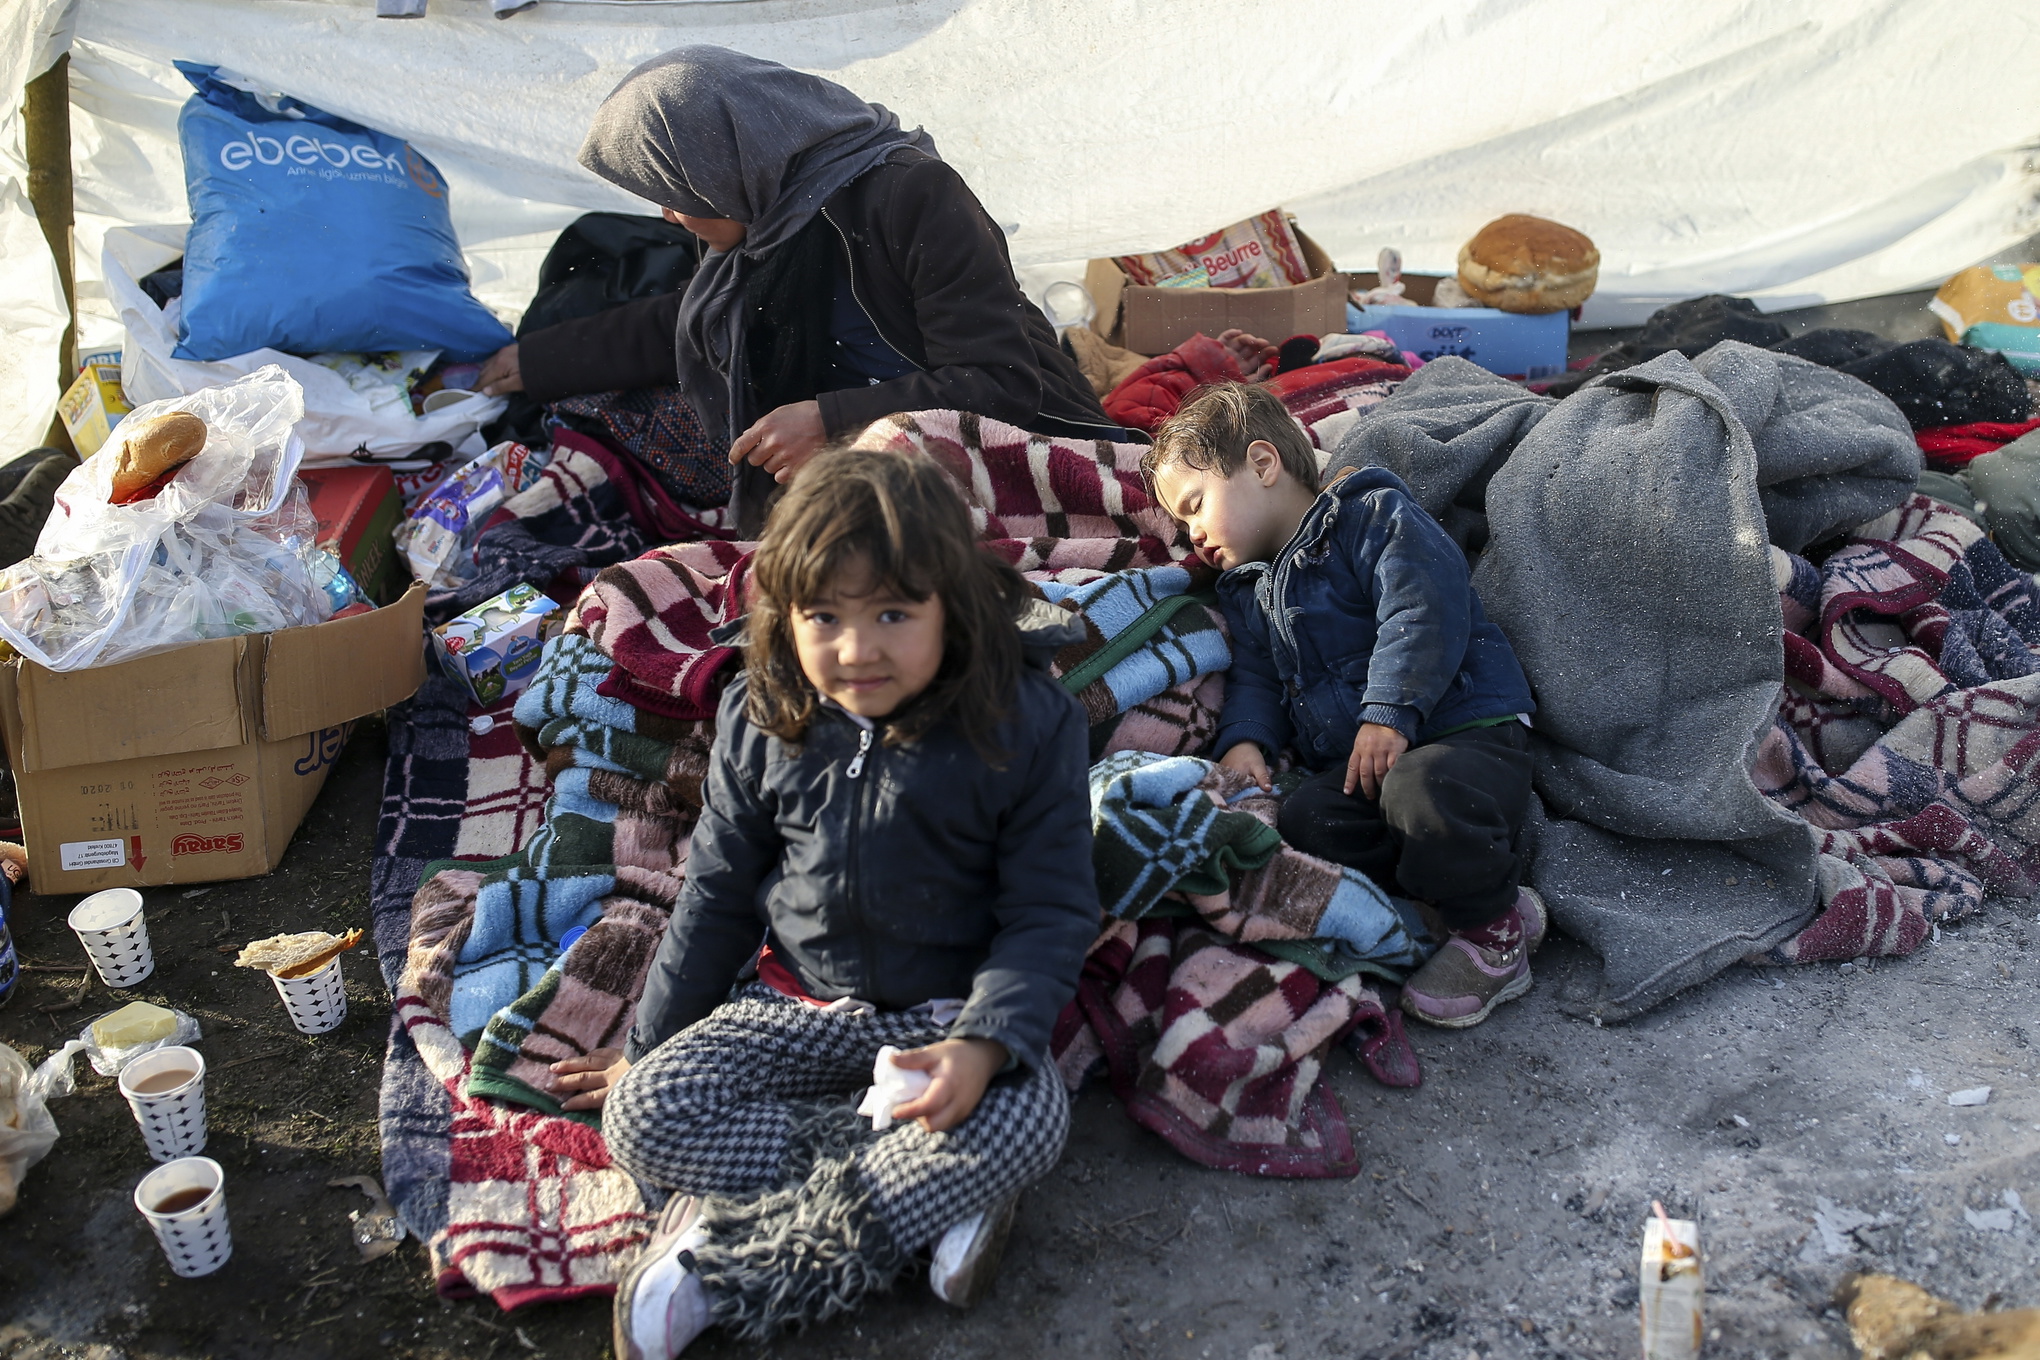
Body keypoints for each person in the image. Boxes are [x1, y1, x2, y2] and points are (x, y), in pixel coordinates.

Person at [548, 446, 1099, 1357]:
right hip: (797, 1008)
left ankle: (728, 1266)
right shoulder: (763, 713)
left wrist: (981, 1044)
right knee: (642, 1113)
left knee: (1031, 1111)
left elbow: (1049, 912)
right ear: (786, 615)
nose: (857, 649)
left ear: (949, 605)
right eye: (824, 617)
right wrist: (646, 1049)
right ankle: (930, 1190)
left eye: (893, 611)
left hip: (944, 1021)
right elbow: (717, 893)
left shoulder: (1029, 723)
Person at [478, 45, 1136, 532]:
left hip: (1005, 451)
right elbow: (687, 324)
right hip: (860, 455)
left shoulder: (911, 195)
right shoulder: (768, 218)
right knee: (597, 416)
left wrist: (830, 424)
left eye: (675, 194)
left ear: (723, 161)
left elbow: (1000, 384)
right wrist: (533, 361)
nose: (670, 218)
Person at [1142, 383, 1546, 1029]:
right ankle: (1483, 899)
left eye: (1195, 506)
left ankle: (1495, 941)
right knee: (1308, 820)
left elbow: (1422, 607)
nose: (1191, 534)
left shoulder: (1370, 516)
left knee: (1424, 790)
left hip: (1462, 729)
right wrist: (1246, 737)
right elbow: (1253, 676)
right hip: (1368, 765)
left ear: (1264, 464)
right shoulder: (1247, 593)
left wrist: (1388, 710)